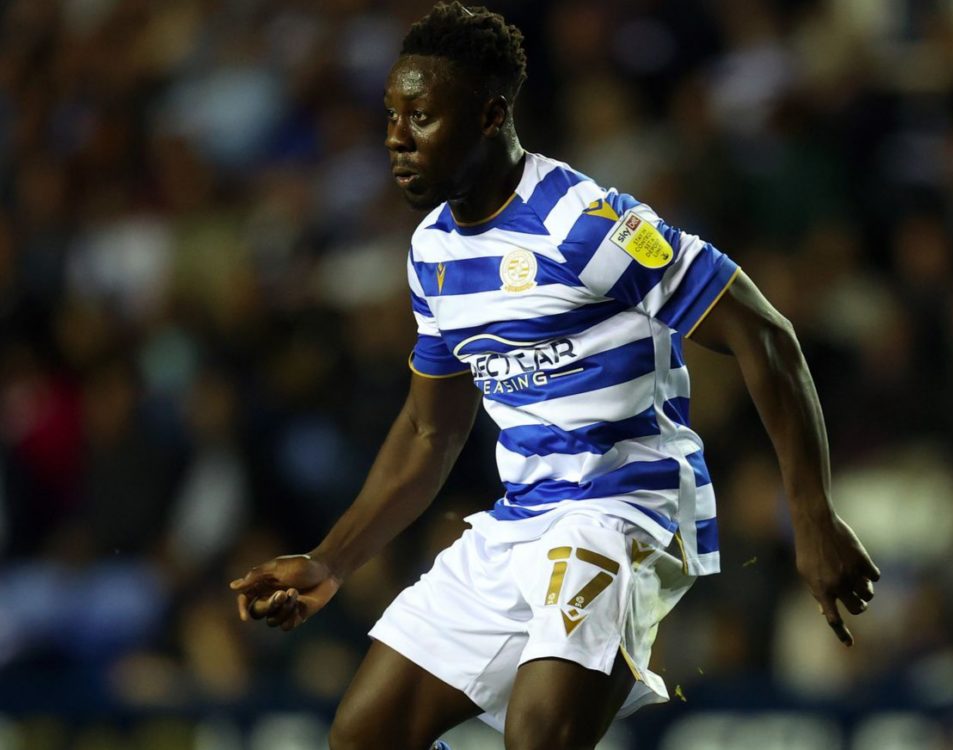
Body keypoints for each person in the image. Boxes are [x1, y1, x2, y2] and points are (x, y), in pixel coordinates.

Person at [229, 3, 881, 749]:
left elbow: (762, 332)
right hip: (522, 520)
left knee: (537, 736)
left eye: (421, 116)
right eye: (391, 115)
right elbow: (428, 431)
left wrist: (812, 515)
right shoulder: (432, 251)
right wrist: (330, 560)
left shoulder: (583, 221)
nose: (395, 137)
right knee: (363, 737)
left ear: (490, 115)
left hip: (627, 508)